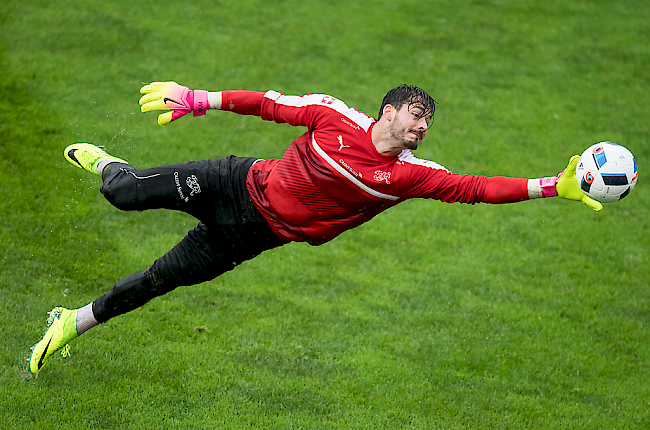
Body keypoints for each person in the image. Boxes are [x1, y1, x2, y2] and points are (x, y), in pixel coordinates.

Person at [29, 81, 602, 374]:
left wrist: (555, 185)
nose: (423, 127)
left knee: (161, 280)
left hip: (251, 236)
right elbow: (271, 105)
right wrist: (199, 99)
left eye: (429, 121)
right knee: (126, 194)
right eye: (417, 115)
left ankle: (72, 322)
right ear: (390, 111)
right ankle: (109, 163)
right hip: (232, 182)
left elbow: (477, 188)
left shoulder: (410, 176)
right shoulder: (333, 116)